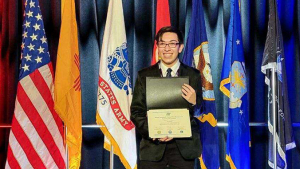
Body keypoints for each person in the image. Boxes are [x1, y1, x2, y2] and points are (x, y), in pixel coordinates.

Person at [130, 26, 203, 169]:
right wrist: (155, 131)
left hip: (183, 150)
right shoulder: (144, 75)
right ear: (157, 46)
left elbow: (201, 112)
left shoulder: (193, 75)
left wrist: (195, 102)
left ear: (180, 47)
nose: (167, 48)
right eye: (162, 44)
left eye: (172, 44)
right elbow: (136, 112)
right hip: (153, 149)